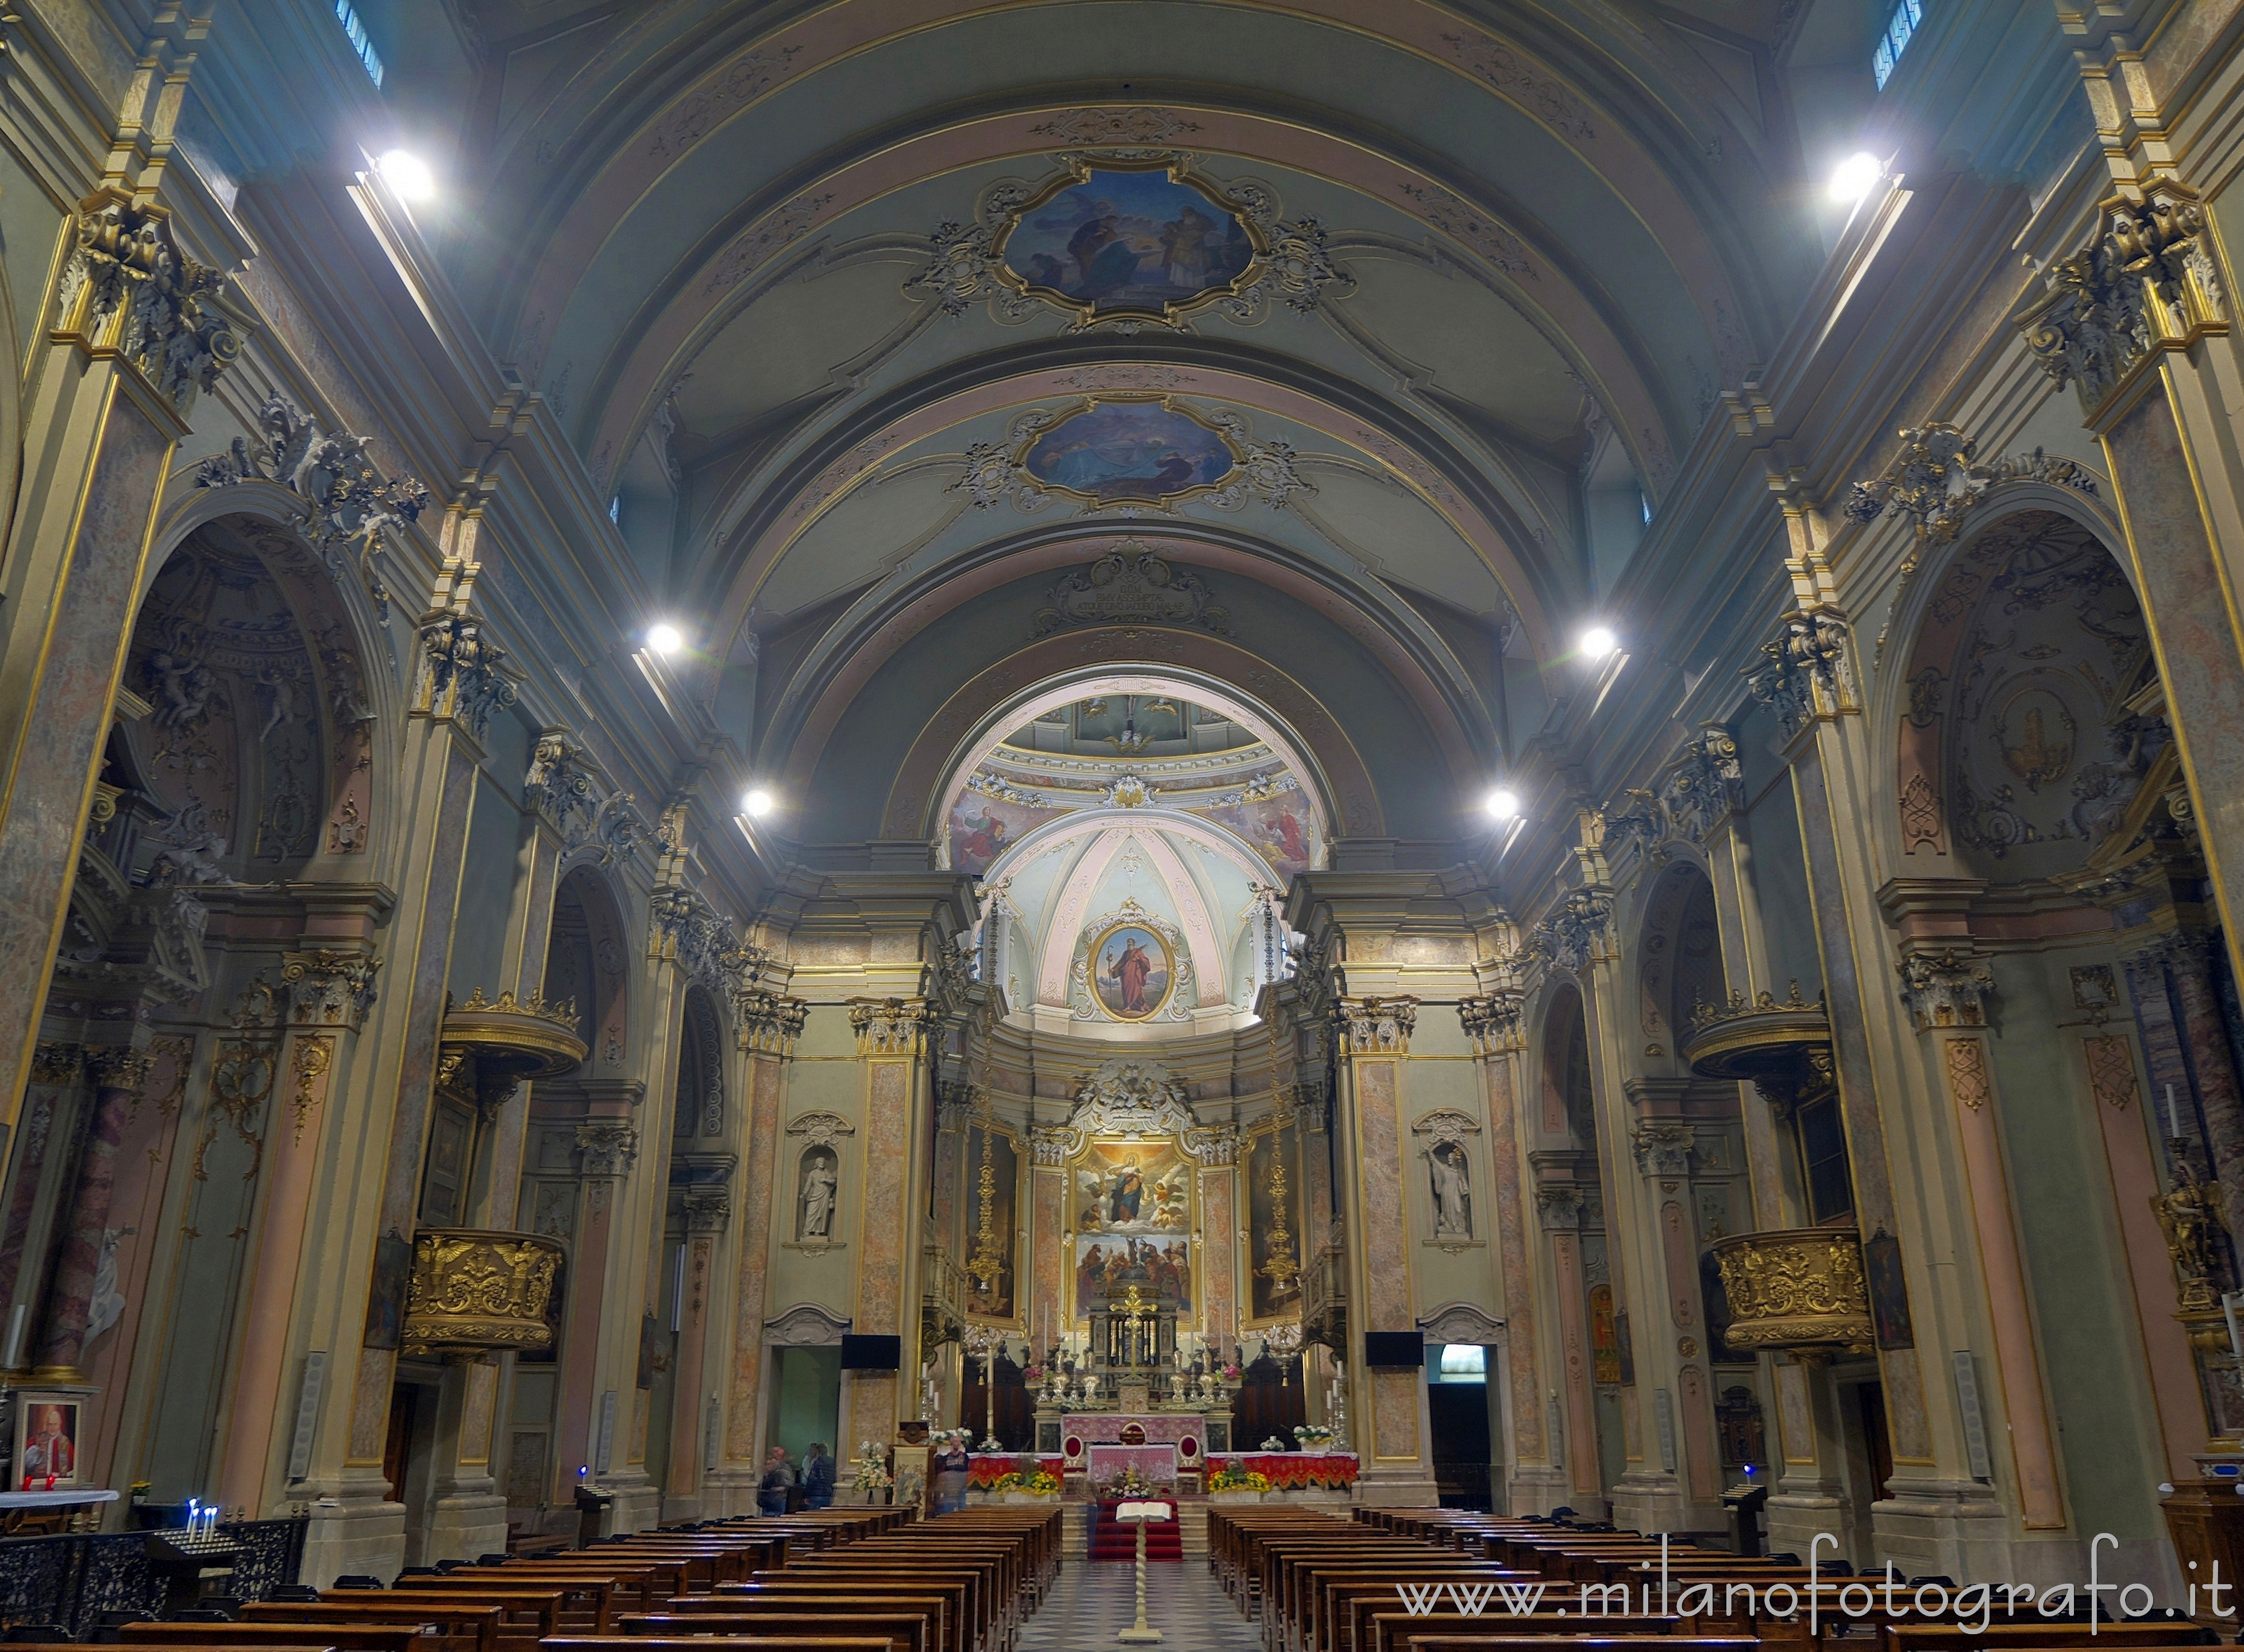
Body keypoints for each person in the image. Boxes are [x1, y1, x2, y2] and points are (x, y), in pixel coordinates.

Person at [934, 1435, 970, 1515]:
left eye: (958, 1442)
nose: (957, 1444)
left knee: (962, 1508)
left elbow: (966, 1469)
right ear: (951, 1443)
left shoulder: (964, 1456)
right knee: (948, 1509)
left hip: (961, 1486)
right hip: (949, 1487)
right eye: (955, 1441)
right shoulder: (946, 1457)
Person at [757, 1445, 795, 1516]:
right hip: (769, 1500)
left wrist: (775, 1489)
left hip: (778, 1500)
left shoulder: (783, 1470)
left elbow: (788, 1485)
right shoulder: (771, 1471)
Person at [801, 1441, 835, 1509]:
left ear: (818, 1452)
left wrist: (806, 1495)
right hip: (829, 1494)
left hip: (816, 1493)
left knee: (812, 1516)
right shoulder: (833, 1462)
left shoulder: (818, 1462)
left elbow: (812, 1479)